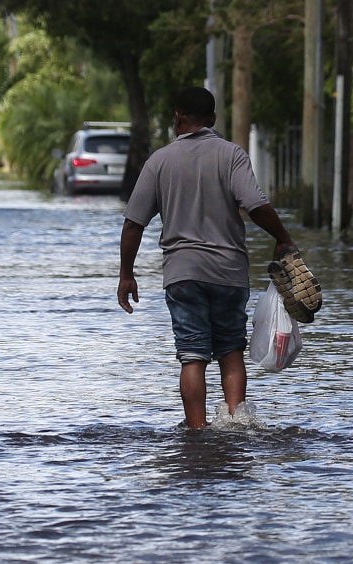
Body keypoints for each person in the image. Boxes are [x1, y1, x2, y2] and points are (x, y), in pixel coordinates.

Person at [118, 86, 298, 430]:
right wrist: (283, 237)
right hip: (229, 273)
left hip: (182, 275)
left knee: (192, 356)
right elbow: (256, 204)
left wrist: (127, 274)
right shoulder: (232, 155)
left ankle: (198, 432)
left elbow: (133, 223)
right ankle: (235, 423)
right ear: (213, 120)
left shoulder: (159, 161)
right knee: (230, 352)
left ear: (177, 117)